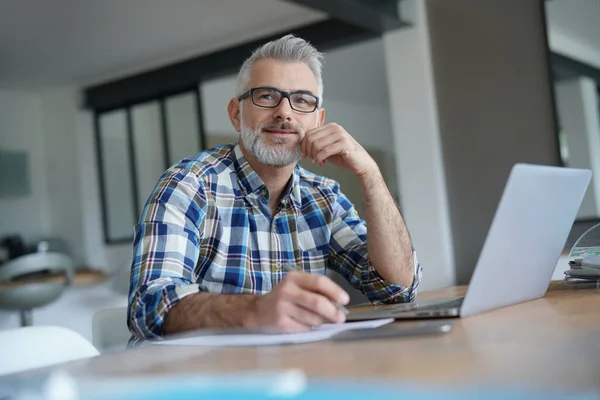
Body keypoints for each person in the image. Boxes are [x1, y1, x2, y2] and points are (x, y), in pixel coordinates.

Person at [128, 34, 421, 342]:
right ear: (236, 114)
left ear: (317, 120)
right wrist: (255, 310)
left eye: (302, 100)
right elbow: (148, 306)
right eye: (267, 96)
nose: (285, 112)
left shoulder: (324, 197)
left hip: (297, 374)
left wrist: (370, 175)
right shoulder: (188, 184)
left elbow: (397, 289)